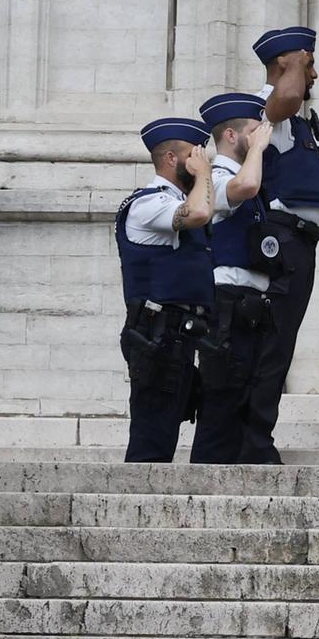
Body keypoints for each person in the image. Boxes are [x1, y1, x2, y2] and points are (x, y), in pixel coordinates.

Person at [247, 27, 319, 465]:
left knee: (282, 342)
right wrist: (296, 63)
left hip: (301, 242)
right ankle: (254, 440)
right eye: (308, 64)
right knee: (273, 342)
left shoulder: (295, 119)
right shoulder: (268, 109)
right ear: (286, 64)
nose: (314, 74)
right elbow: (282, 101)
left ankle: (258, 435)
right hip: (282, 240)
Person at [115, 117, 216, 463]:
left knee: (165, 429)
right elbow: (200, 211)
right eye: (193, 155)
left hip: (178, 335)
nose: (201, 161)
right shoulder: (149, 203)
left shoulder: (173, 200)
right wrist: (204, 174)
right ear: (172, 159)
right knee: (152, 436)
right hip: (157, 335)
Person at [187, 92, 274, 465]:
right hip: (227, 304)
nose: (262, 139)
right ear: (233, 137)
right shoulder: (219, 177)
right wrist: (257, 151)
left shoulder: (239, 174)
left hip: (248, 305)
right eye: (254, 131)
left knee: (241, 399)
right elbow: (247, 187)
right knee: (221, 400)